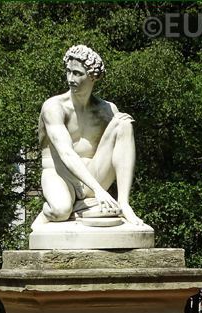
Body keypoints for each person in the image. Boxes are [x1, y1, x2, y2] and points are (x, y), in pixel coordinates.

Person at [34, 44, 143, 226]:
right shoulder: (54, 107)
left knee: (123, 123)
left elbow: (119, 152)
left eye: (77, 73)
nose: (70, 78)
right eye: (68, 71)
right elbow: (66, 153)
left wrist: (99, 189)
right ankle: (46, 216)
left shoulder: (107, 110)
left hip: (94, 175)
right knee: (61, 210)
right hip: (60, 174)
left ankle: (124, 203)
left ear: (94, 76)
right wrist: (99, 190)